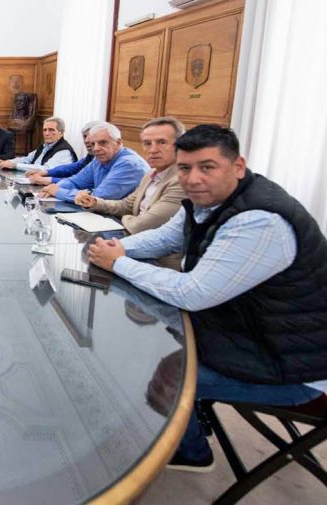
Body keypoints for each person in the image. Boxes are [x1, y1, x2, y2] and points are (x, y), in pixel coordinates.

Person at [87, 125, 327, 472]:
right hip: (254, 334)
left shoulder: (259, 221)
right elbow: (162, 239)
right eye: (185, 168)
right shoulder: (210, 202)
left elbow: (194, 293)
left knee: (152, 370)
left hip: (295, 367)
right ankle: (188, 417)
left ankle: (191, 452)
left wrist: (119, 263)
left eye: (207, 167)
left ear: (238, 167)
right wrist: (117, 248)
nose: (193, 178)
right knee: (141, 343)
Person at [76, 117, 187, 237]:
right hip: (134, 237)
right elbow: (126, 205)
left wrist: (125, 219)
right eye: (147, 143)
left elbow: (142, 226)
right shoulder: (151, 174)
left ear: (179, 146)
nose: (153, 150)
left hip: (157, 250)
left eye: (161, 142)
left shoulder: (181, 180)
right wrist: (94, 202)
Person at [39, 122, 148, 203]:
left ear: (118, 143)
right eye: (93, 144)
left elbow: (98, 197)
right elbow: (75, 181)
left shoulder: (129, 164)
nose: (96, 149)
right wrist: (51, 189)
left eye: (102, 143)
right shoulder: (98, 160)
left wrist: (58, 191)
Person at [27, 121, 101, 185]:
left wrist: (49, 180)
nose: (87, 140)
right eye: (84, 136)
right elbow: (73, 167)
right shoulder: (91, 156)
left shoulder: (65, 150)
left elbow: (81, 181)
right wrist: (46, 172)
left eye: (51, 130)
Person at [0, 116, 76, 171]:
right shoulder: (45, 146)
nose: (46, 133)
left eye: (51, 130)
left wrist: (15, 166)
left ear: (61, 133)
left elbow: (46, 169)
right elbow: (26, 159)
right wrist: (7, 162)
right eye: (44, 130)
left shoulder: (64, 151)